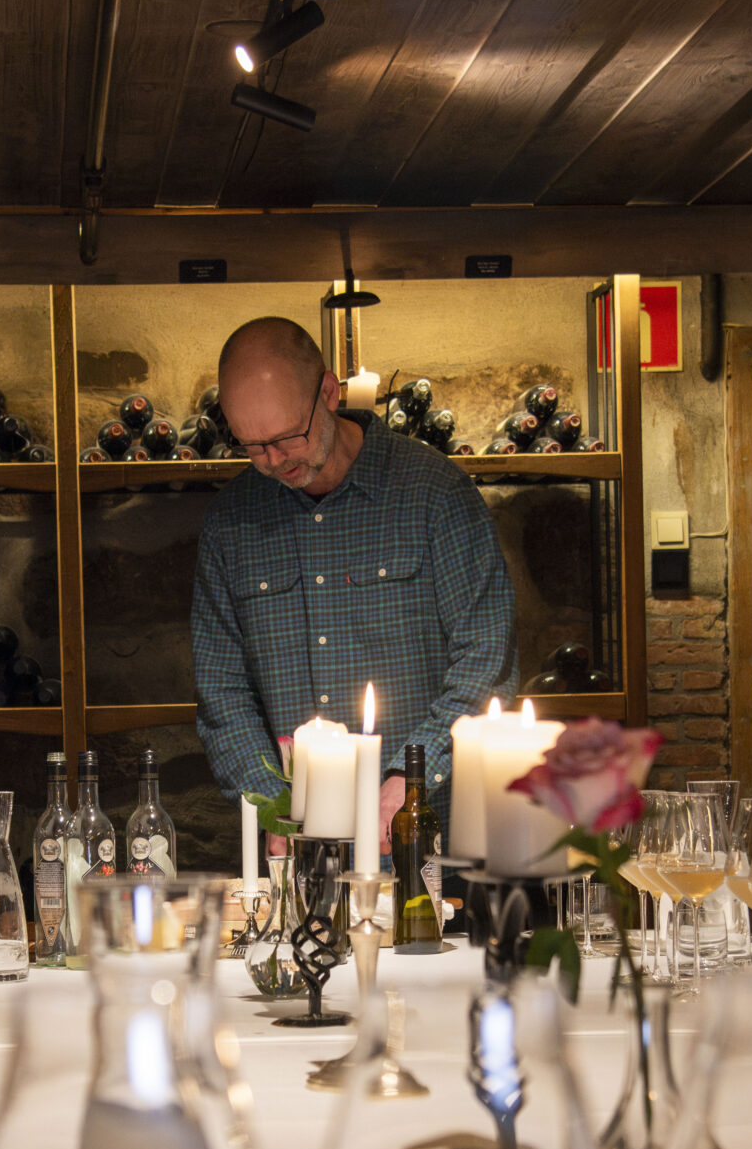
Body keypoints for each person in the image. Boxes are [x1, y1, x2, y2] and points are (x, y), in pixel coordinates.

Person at [191, 317, 515, 845]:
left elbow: (487, 662)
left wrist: (409, 780)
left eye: (286, 438)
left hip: (429, 850)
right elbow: (222, 691)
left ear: (328, 392)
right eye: (252, 447)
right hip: (300, 858)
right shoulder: (232, 524)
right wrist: (272, 804)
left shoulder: (434, 494)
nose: (273, 461)